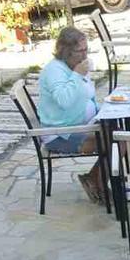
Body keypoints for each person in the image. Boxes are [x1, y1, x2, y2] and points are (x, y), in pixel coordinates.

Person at [37, 26, 103, 203]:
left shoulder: (74, 65)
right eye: (79, 51)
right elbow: (64, 100)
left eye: (86, 50)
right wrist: (77, 75)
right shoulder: (54, 71)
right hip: (61, 134)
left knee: (117, 131)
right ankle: (97, 181)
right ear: (66, 52)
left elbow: (87, 94)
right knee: (115, 141)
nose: (84, 56)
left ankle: (95, 179)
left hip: (78, 126)